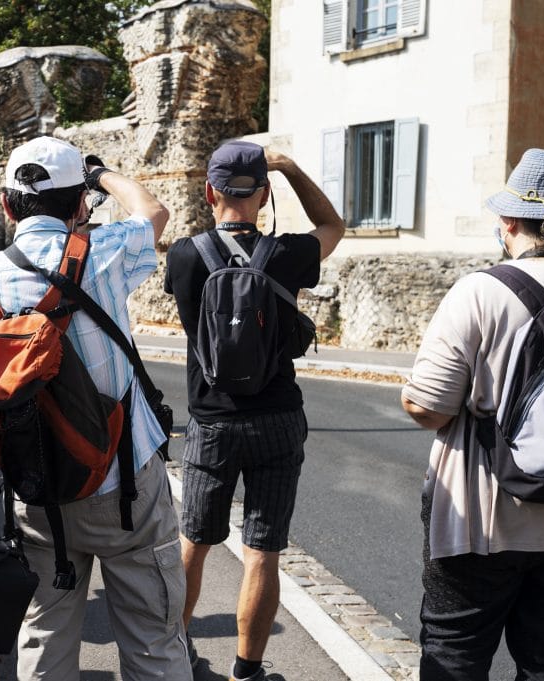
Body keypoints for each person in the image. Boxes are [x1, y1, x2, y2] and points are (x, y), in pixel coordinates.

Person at [0, 136, 190, 680]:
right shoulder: (104, 252)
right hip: (124, 483)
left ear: (6, 205)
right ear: (79, 207)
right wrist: (100, 175)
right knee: (153, 641)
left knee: (44, 635)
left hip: (37, 483)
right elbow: (154, 212)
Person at [164, 140, 344, 681]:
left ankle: (176, 659)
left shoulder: (185, 255)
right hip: (277, 420)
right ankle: (249, 670)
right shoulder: (287, 255)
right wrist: (288, 167)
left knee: (193, 547)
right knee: (262, 551)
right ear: (263, 196)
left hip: (213, 421)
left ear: (208, 192)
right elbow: (333, 226)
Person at [402, 148, 544, 680]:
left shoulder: (482, 291)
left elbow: (428, 407)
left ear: (512, 222)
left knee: (456, 657)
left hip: (482, 520)